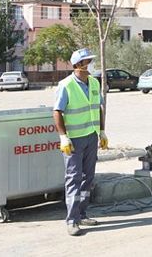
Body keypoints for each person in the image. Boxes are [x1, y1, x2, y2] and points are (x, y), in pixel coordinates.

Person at [53, 48, 109, 236]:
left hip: (91, 137)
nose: (90, 64)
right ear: (77, 65)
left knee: (88, 178)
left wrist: (101, 131)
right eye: (87, 61)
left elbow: (98, 108)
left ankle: (82, 213)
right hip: (74, 140)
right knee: (74, 178)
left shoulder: (93, 82)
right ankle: (72, 220)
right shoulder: (66, 85)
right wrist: (63, 137)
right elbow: (57, 112)